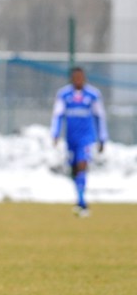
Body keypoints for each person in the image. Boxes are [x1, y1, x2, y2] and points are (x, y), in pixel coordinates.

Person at [50, 66, 108, 217]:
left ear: (84, 78)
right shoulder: (64, 94)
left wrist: (102, 137)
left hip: (86, 138)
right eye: (75, 77)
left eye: (80, 77)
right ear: (71, 79)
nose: (78, 80)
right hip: (71, 138)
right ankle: (80, 199)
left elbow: (100, 116)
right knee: (74, 168)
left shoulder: (93, 95)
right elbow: (57, 115)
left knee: (82, 164)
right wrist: (55, 134)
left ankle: (82, 202)